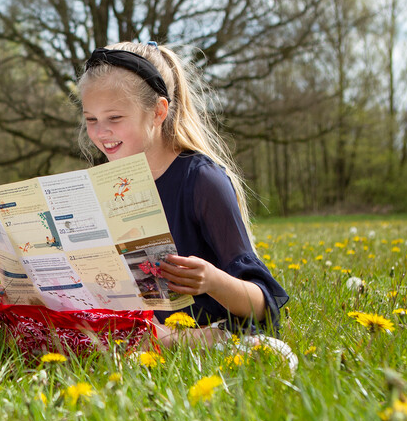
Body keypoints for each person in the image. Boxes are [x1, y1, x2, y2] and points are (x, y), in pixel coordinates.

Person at [77, 42, 289, 343]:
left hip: (204, 337)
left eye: (114, 118)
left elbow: (262, 306)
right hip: (139, 337)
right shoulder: (109, 184)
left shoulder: (202, 180)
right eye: (91, 120)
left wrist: (212, 280)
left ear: (158, 112)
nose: (101, 132)